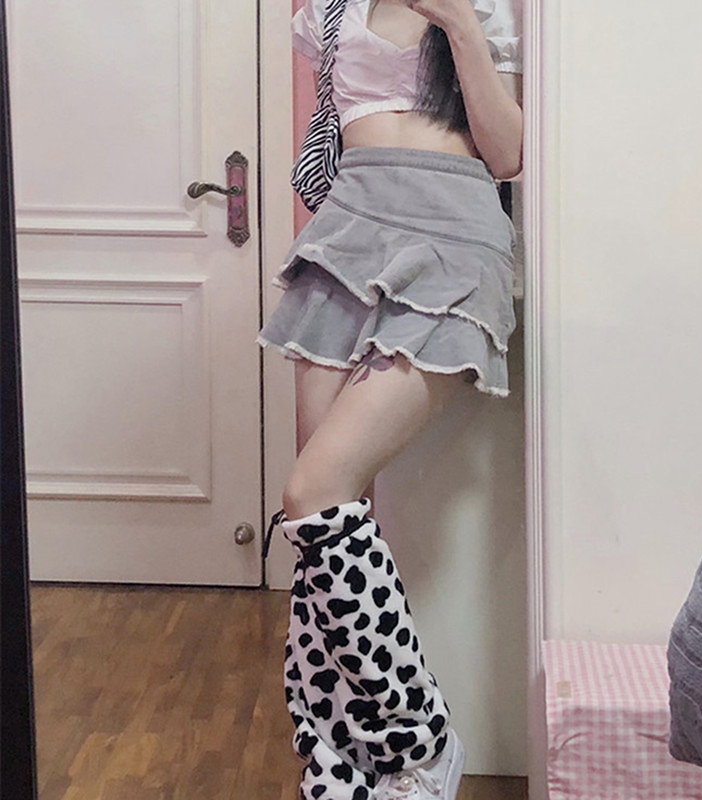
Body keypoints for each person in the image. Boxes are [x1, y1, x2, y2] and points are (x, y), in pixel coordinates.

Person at [257, 0, 524, 797]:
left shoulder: (480, 9)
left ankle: (421, 740)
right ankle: (342, 762)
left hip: (453, 232)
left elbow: (507, 153)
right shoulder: (329, 11)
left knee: (312, 493)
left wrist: (463, 27)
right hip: (348, 230)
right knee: (325, 531)